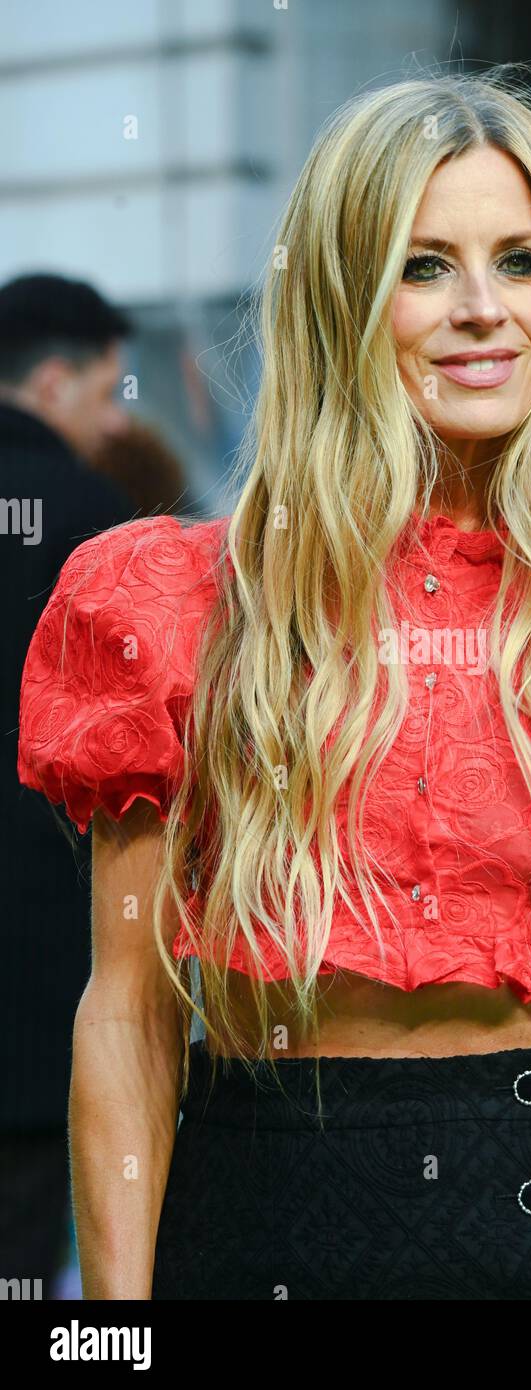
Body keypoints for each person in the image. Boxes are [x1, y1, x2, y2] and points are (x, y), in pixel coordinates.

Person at [17, 73, 531, 1302]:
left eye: (520, 260)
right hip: (258, 1223)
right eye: (422, 267)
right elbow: (126, 1014)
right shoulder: (170, 601)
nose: (480, 311)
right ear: (346, 295)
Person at [0, 272, 138, 1296]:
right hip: (43, 972)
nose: (114, 418)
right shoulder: (94, 521)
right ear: (51, 382)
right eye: (105, 391)